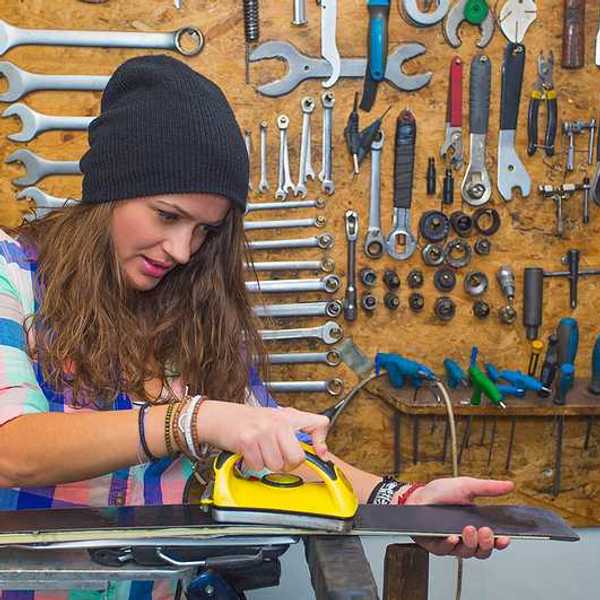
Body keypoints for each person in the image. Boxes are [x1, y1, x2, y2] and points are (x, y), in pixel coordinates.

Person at [0, 55, 513, 599]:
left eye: (204, 230)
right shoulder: (13, 275)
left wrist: (402, 502)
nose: (181, 250)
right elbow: (12, 450)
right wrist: (194, 420)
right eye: (167, 215)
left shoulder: (192, 310)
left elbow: (281, 448)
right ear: (109, 191)